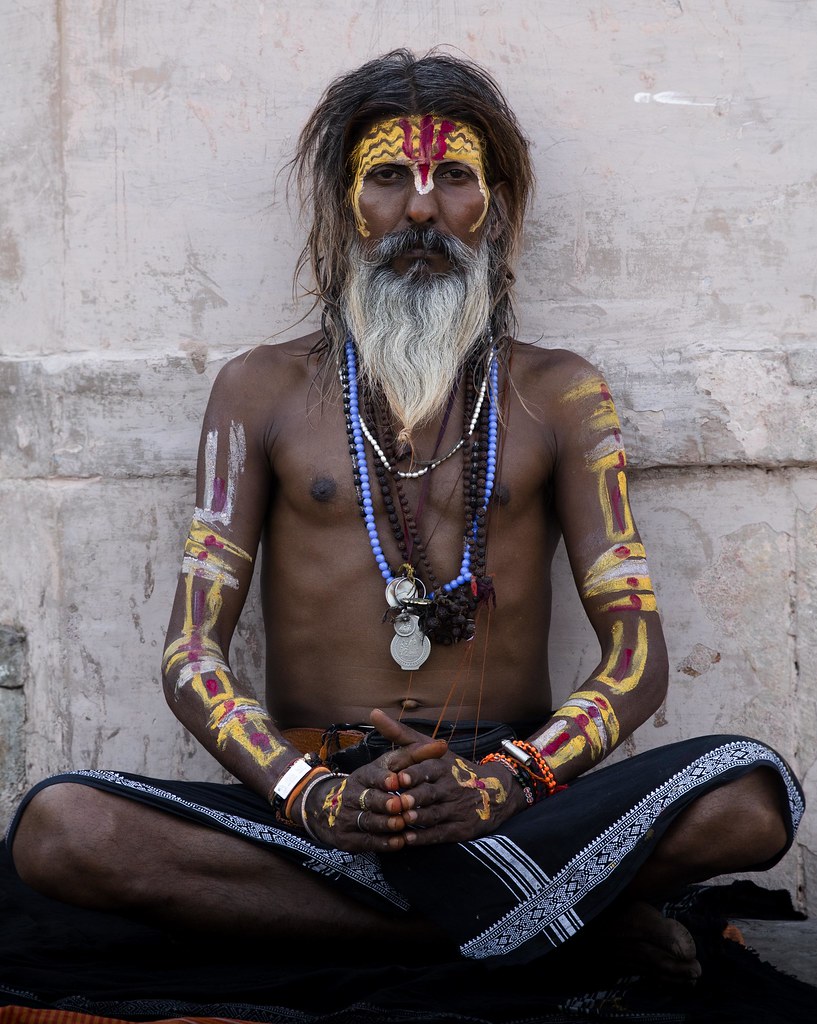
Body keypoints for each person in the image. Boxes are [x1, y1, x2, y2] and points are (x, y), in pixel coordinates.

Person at [6, 48, 805, 989]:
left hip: (511, 802)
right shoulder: (258, 389)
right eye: (387, 178)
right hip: (319, 803)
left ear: (492, 208)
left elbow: (635, 657)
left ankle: (433, 916)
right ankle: (543, 927)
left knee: (753, 793)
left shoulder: (562, 393)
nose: (420, 211)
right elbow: (190, 654)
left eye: (452, 180)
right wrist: (312, 798)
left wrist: (506, 781)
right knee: (62, 829)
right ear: (343, 207)